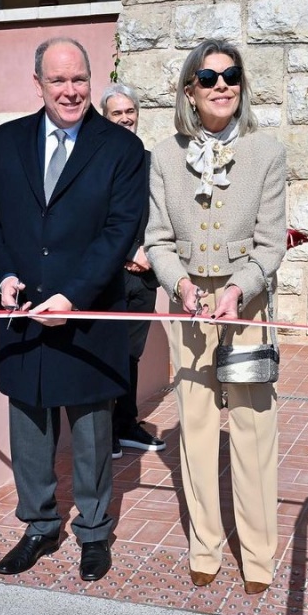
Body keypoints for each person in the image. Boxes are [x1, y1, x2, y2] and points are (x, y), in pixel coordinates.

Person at [0, 37, 146, 582]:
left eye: (79, 79)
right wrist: (3, 277)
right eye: (58, 80)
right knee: (29, 428)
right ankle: (40, 526)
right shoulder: (6, 142)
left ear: (91, 81)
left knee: (92, 432)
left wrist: (73, 294)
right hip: (22, 313)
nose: (70, 91)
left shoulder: (120, 149)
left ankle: (94, 533)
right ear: (38, 84)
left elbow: (120, 233)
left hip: (86, 315)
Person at [145, 39, 287, 596]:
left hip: (245, 307)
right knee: (197, 429)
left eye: (231, 76)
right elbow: (156, 241)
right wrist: (178, 283)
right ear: (190, 90)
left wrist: (239, 287)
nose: (222, 84)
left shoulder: (267, 152)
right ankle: (204, 544)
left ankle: (257, 553)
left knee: (253, 431)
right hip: (187, 309)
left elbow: (271, 244)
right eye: (209, 77)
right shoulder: (163, 155)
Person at [99, 83, 167, 460]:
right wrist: (127, 252)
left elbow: (166, 214)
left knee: (131, 354)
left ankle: (126, 424)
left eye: (130, 112)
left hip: (144, 275)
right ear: (105, 117)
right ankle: (103, 430)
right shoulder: (92, 162)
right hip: (109, 275)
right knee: (108, 351)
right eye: (116, 113)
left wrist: (150, 256)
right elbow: (94, 220)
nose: (125, 118)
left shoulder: (152, 162)